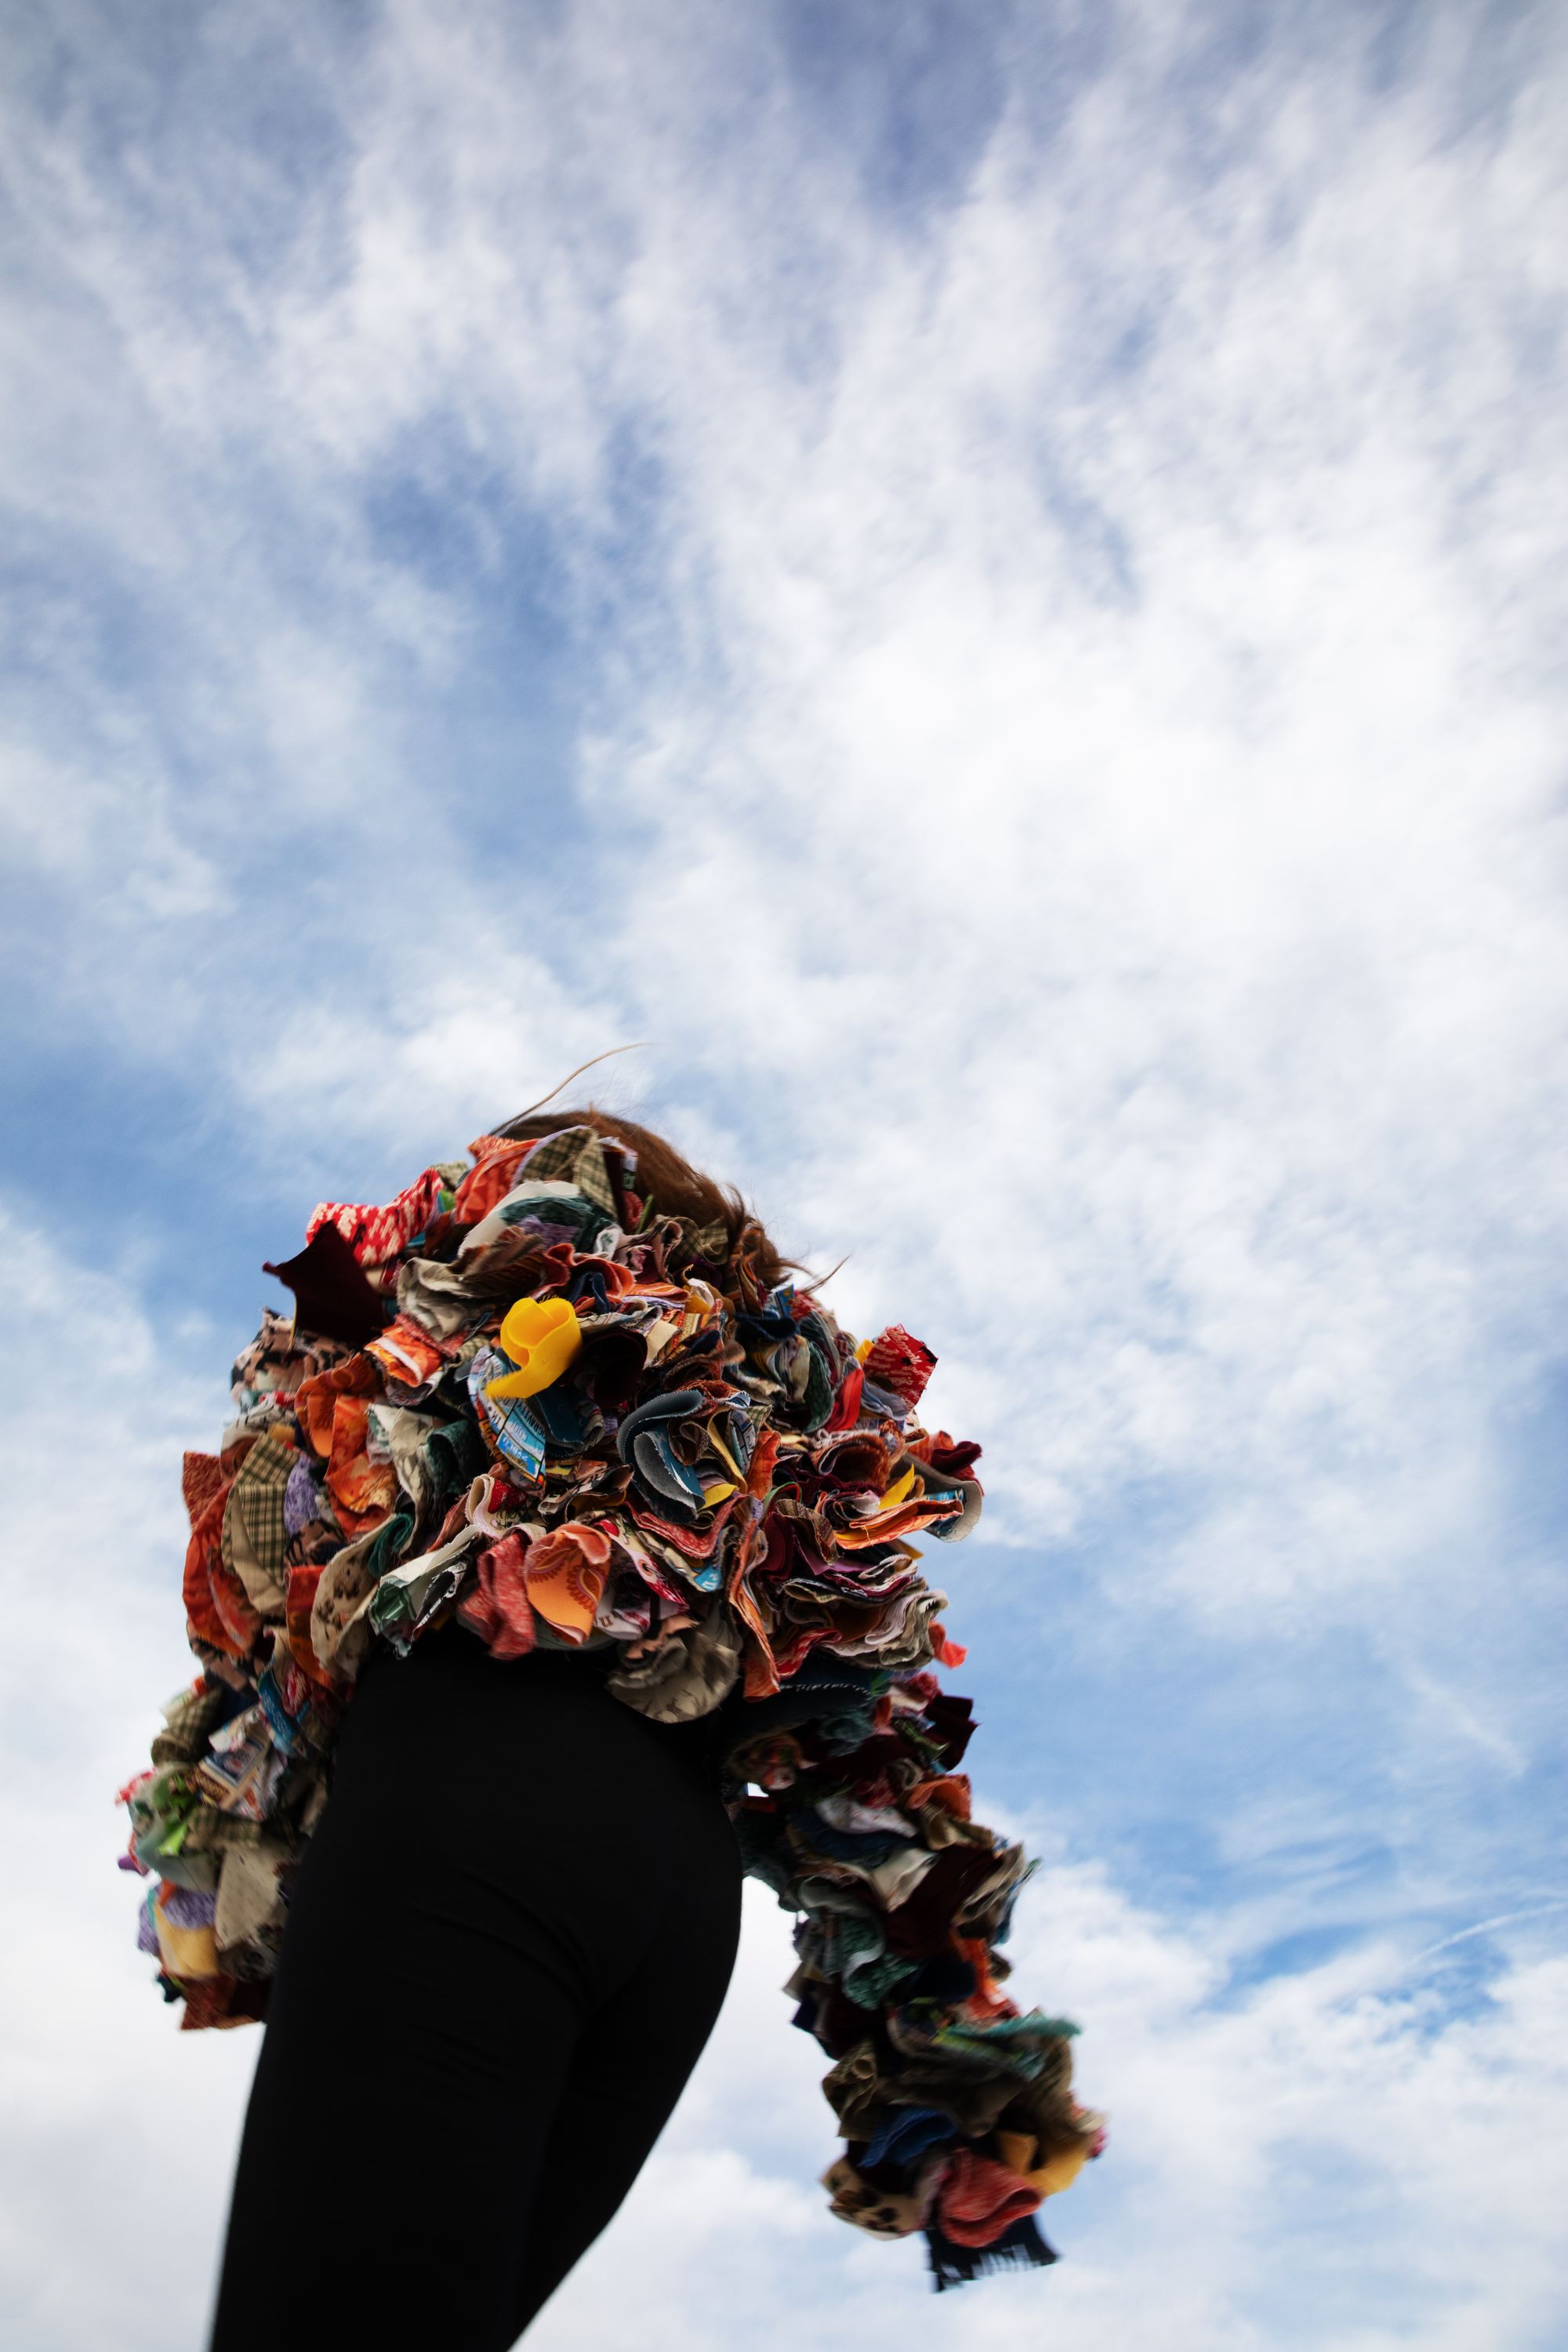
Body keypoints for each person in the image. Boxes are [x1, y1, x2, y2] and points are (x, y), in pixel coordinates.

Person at [119, 1103, 1102, 2349]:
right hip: (676, 1903)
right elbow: (871, 1768)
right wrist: (952, 2080)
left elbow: (283, 1538)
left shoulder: (497, 1248)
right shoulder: (791, 1405)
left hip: (476, 1792)